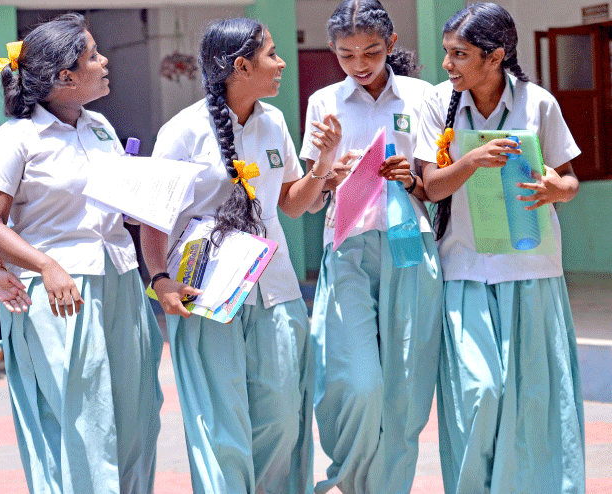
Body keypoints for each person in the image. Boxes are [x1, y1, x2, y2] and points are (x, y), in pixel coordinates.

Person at [140, 17, 341, 494]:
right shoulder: (182, 131)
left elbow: (291, 204)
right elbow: (152, 217)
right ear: (241, 66)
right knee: (221, 428)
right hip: (206, 297)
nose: (281, 63)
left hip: (277, 290)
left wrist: (323, 165)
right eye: (271, 54)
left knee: (283, 420)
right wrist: (160, 279)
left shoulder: (274, 122)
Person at [0, 14, 163, 494]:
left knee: (138, 413)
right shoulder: (15, 139)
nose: (104, 62)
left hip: (120, 277)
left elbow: (116, 209)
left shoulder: (100, 127)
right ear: (64, 77)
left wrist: (150, 200)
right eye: (93, 56)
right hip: (59, 291)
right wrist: (45, 264)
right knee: (85, 419)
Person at [415, 4, 584, 493]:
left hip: (532, 269)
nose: (447, 64)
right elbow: (432, 187)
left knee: (534, 399)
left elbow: (570, 181)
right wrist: (471, 160)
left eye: (459, 54)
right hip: (463, 268)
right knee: (480, 391)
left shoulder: (539, 104)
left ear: (495, 56)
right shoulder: (436, 103)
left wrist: (554, 190)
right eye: (447, 52)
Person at [298, 2, 444, 493]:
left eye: (371, 51)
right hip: (346, 248)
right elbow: (310, 199)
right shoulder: (324, 102)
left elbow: (434, 184)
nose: (359, 64)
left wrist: (411, 177)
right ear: (332, 50)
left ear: (392, 44)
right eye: (346, 54)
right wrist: (330, 172)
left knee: (406, 387)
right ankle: (351, 479)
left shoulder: (423, 96)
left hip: (410, 246)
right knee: (357, 381)